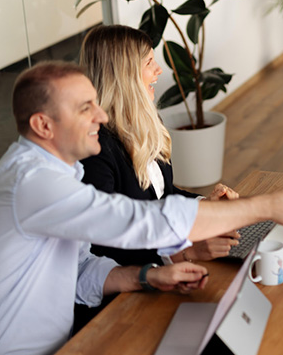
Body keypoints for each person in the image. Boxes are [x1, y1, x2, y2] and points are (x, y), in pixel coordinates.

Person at [0, 61, 283, 354]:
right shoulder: (29, 182)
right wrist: (266, 206)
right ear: (43, 126)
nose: (102, 116)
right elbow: (138, 221)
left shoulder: (62, 174)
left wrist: (146, 276)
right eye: (85, 108)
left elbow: (80, 269)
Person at [72, 25, 242, 330]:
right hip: (121, 298)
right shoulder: (96, 151)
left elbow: (163, 196)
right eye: (150, 62)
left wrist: (205, 205)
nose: (159, 70)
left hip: (163, 272)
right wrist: (183, 251)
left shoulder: (145, 120)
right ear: (124, 75)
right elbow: (104, 247)